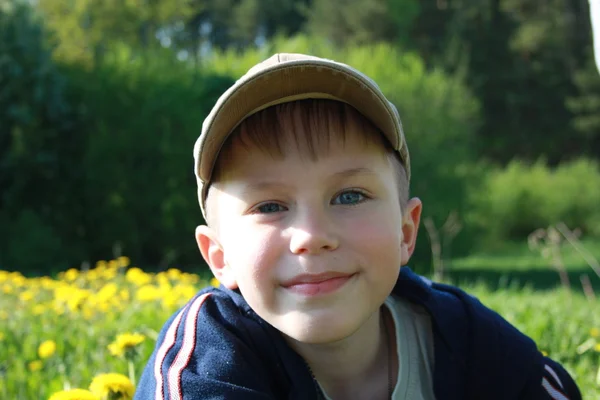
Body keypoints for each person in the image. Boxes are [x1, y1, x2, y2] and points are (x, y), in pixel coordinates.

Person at [134, 53, 582, 400]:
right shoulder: (206, 360)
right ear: (219, 256)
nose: (312, 236)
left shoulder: (466, 338)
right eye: (270, 206)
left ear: (406, 232)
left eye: (349, 196)